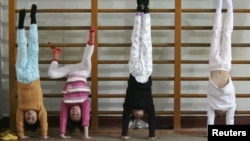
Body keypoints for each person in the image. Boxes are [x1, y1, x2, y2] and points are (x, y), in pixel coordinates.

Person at [47, 28, 95, 140]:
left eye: (73, 115)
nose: (75, 113)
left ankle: (56, 55)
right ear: (81, 113)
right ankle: (91, 40)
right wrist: (86, 135)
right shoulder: (85, 102)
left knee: (51, 74)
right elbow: (86, 118)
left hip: (71, 72)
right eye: (78, 115)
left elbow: (63, 117)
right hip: (84, 71)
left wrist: (62, 134)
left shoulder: (66, 103)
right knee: (87, 60)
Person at [121, 0, 156, 140]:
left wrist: (124, 134)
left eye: (135, 116)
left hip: (135, 70)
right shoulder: (148, 105)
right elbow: (152, 118)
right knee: (146, 40)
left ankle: (139, 10)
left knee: (135, 39)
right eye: (140, 117)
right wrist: (151, 135)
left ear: (132, 114)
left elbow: (125, 117)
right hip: (147, 71)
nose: (138, 116)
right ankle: (146, 11)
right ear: (145, 114)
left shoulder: (129, 104)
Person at [15, 4, 48, 139]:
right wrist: (44, 135)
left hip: (22, 75)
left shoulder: (21, 109)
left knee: (23, 47)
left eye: (28, 119)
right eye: (33, 119)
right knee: (34, 45)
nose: (30, 116)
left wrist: (21, 135)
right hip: (34, 75)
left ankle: (21, 24)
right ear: (37, 117)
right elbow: (44, 121)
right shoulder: (40, 108)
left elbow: (18, 122)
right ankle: (33, 19)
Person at [207, 0, 236, 125]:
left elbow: (210, 120)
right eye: (222, 114)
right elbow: (230, 120)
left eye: (219, 115)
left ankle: (219, 8)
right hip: (225, 65)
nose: (221, 114)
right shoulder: (231, 103)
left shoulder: (211, 104)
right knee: (227, 35)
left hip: (213, 64)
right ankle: (230, 8)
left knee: (216, 33)